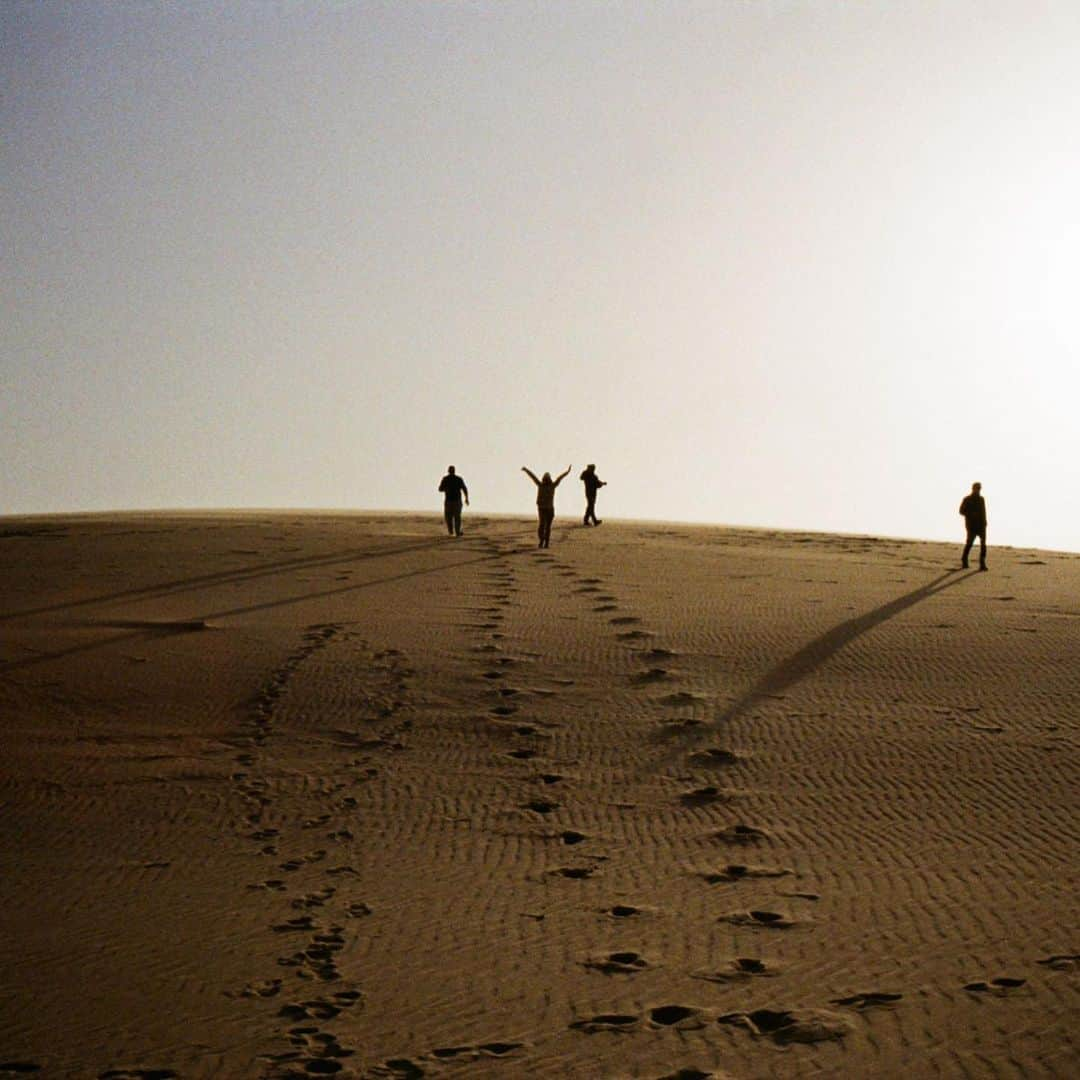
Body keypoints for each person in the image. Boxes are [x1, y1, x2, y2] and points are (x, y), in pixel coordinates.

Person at [522, 465, 571, 548]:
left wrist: (567, 472)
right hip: (544, 508)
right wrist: (526, 470)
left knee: (546, 526)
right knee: (543, 526)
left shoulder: (550, 485)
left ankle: (545, 542)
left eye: (546, 478)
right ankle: (543, 541)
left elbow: (560, 478)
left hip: (548, 509)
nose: (546, 480)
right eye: (545, 478)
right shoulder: (544, 485)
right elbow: (533, 476)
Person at [959, 481, 987, 570]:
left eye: (979, 488)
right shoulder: (967, 499)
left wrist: (985, 521)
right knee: (969, 543)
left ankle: (982, 563)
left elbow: (983, 511)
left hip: (981, 525)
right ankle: (964, 559)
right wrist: (971, 514)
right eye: (977, 488)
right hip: (971, 526)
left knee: (983, 544)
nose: (978, 490)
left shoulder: (981, 499)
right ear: (973, 488)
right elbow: (961, 511)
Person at [438, 465, 469, 537]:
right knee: (452, 517)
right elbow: (440, 489)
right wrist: (466, 498)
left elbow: (464, 488)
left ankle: (455, 532)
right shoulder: (448, 479)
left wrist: (466, 498)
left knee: (453, 517)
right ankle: (453, 531)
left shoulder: (454, 479)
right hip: (452, 501)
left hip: (453, 501)